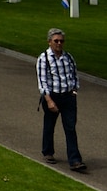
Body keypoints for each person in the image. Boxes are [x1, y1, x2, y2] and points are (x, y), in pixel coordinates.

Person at [37, 28, 88, 172]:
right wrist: (49, 100)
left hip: (68, 97)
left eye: (61, 41)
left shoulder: (68, 57)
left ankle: (75, 160)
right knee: (49, 125)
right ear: (49, 42)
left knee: (70, 128)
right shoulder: (44, 58)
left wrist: (74, 91)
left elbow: (74, 75)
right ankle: (47, 152)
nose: (59, 43)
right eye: (56, 41)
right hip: (52, 96)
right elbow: (42, 82)